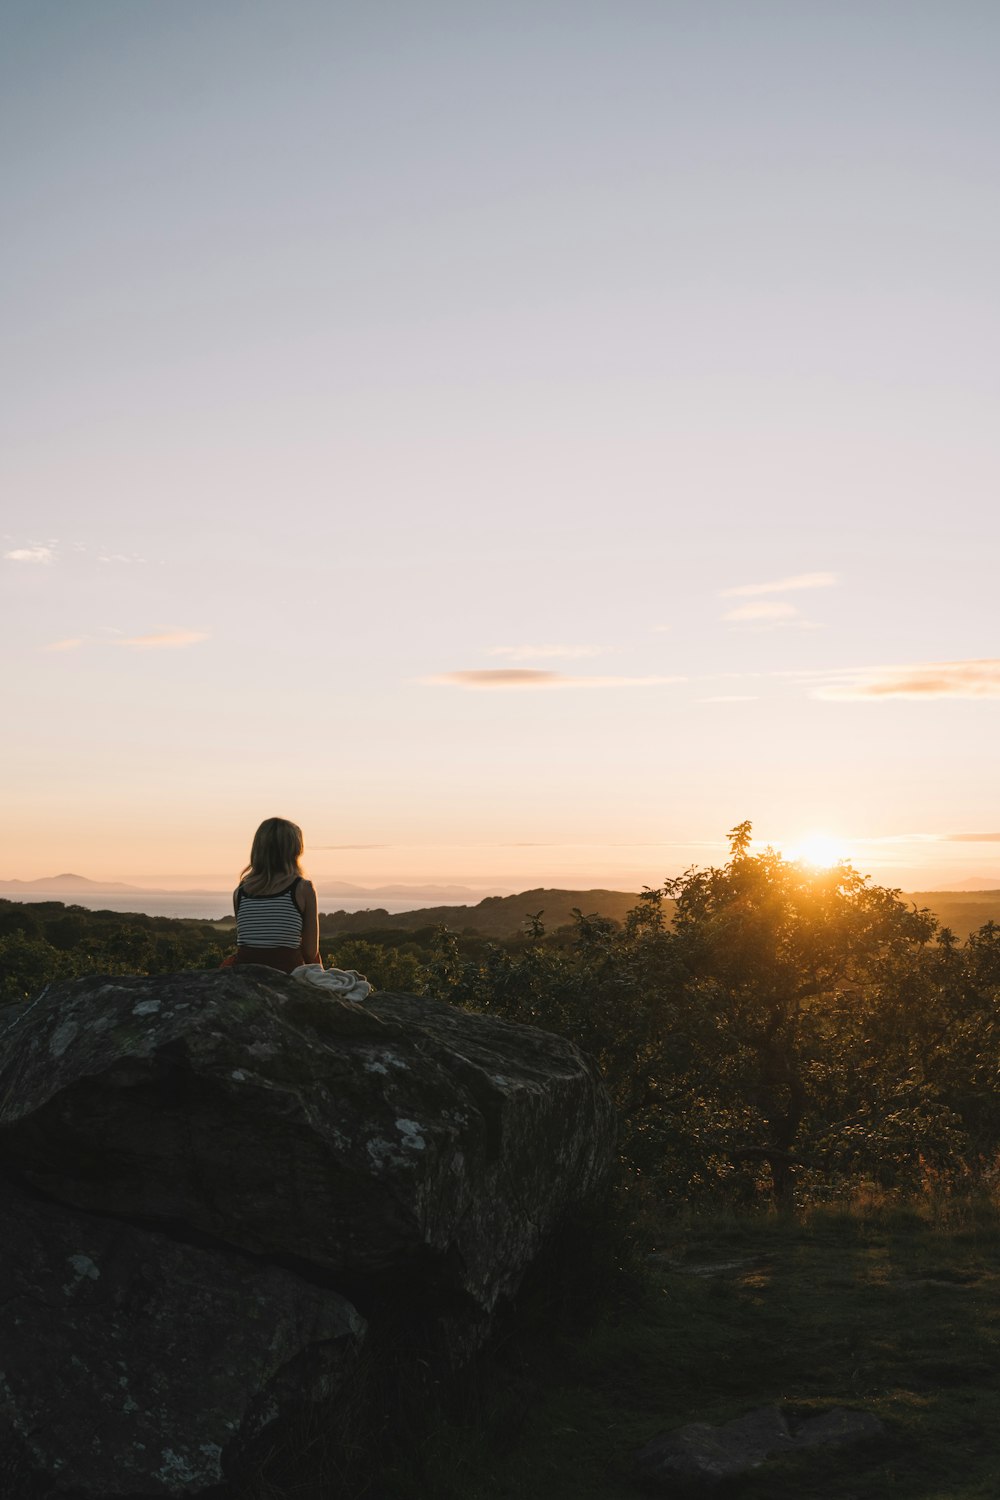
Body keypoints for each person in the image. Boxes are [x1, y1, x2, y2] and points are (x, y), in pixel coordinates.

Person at [231, 817, 321, 974]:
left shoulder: (240, 891)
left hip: (245, 973)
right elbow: (310, 952)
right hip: (286, 973)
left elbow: (251, 943)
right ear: (295, 850)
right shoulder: (302, 888)